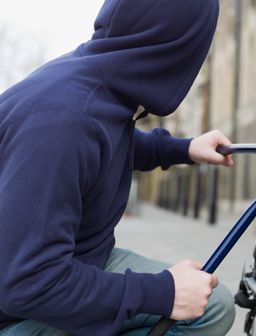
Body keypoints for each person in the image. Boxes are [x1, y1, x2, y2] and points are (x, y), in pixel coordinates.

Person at [0, 0, 236, 335]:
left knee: (213, 303)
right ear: (177, 48)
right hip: (20, 307)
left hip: (75, 261)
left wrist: (183, 148)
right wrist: (163, 294)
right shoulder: (62, 121)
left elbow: (105, 146)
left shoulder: (94, 79)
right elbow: (30, 282)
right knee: (203, 311)